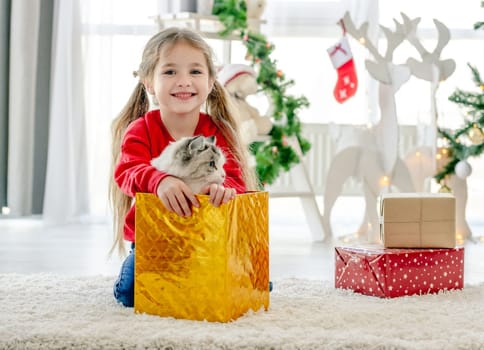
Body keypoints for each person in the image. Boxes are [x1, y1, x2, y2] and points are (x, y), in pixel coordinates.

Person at [109, 27, 258, 307]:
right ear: (148, 82)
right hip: (155, 243)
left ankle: (190, 280)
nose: (183, 81)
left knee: (257, 284)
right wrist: (159, 180)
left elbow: (237, 182)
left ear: (212, 81)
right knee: (131, 294)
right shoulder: (141, 130)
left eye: (195, 72)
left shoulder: (220, 132)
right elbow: (127, 172)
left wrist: (224, 190)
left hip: (208, 242)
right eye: (169, 72)